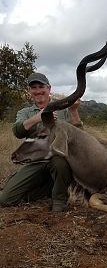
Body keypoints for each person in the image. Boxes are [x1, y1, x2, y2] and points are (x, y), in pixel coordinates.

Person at [0, 72, 83, 212]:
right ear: (29, 91)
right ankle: (51, 188)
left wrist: (74, 110)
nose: (38, 91)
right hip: (36, 162)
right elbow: (17, 131)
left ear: (49, 88)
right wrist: (39, 116)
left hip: (59, 160)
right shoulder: (25, 112)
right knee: (5, 199)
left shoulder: (62, 108)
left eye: (41, 86)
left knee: (59, 162)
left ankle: (59, 201)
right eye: (34, 87)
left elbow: (80, 136)